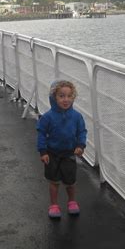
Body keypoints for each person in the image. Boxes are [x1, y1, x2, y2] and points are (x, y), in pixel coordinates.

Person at [36, 80, 87, 218]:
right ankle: (54, 205)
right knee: (54, 181)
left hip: (69, 154)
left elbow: (82, 131)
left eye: (69, 96)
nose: (66, 100)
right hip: (52, 154)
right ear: (54, 97)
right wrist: (43, 151)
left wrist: (80, 145)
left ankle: (72, 202)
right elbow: (41, 134)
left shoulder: (77, 116)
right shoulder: (47, 117)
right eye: (62, 96)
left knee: (70, 181)